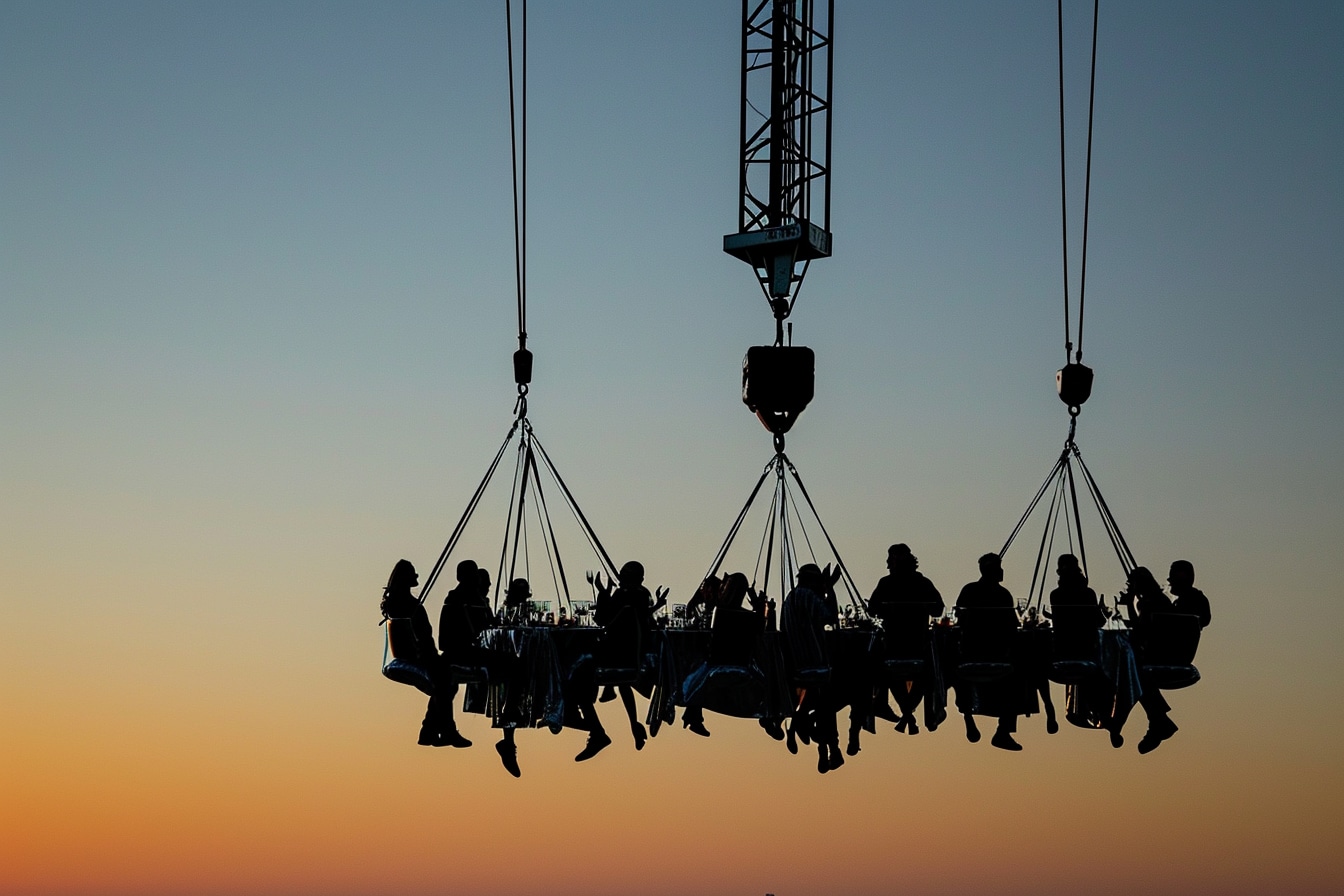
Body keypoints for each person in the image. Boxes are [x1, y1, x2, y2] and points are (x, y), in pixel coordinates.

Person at [577, 561, 668, 761]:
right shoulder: (643, 595)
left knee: (578, 673)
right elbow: (643, 618)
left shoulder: (622, 596)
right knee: (623, 683)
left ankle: (594, 728)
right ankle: (633, 723)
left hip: (612, 657)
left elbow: (602, 619)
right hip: (632, 658)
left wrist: (602, 592)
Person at [380, 559, 471, 749]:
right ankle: (444, 731)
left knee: (447, 685)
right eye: (412, 573)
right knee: (445, 683)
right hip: (419, 656)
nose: (416, 576)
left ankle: (429, 731)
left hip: (419, 654)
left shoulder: (398, 604)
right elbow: (420, 637)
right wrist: (431, 656)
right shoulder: (408, 606)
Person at [1126, 562, 1211, 754]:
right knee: (1135, 668)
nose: (1169, 581)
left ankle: (1157, 720)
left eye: (1173, 577)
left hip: (1173, 655)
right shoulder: (1179, 603)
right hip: (1169, 652)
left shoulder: (1192, 601)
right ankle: (1158, 719)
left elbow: (1148, 630)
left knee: (1133, 668)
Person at [867, 544, 944, 739]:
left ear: (895, 562)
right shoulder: (923, 583)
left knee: (882, 667)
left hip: (893, 647)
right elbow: (938, 610)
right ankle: (909, 714)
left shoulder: (886, 584)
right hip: (919, 647)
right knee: (926, 674)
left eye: (889, 560)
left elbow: (872, 610)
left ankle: (898, 710)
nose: (887, 564)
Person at [954, 553, 1024, 751]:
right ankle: (1004, 730)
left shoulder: (969, 590)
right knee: (1020, 671)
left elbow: (959, 618)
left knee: (957, 667)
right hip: (995, 655)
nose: (1002, 571)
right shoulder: (1003, 595)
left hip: (970, 652)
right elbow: (1012, 626)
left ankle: (968, 716)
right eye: (999, 567)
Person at [782, 564, 843, 773]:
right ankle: (828, 745)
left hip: (796, 668)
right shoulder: (809, 597)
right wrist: (830, 590)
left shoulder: (789, 599)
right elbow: (831, 617)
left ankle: (825, 745)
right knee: (831, 698)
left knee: (824, 702)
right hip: (814, 665)